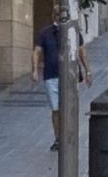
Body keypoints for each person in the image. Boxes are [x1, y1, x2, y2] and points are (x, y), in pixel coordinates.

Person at [32, 8, 92, 151]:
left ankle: (68, 136)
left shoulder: (74, 32)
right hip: (51, 75)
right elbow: (36, 51)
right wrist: (34, 70)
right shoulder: (46, 32)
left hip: (70, 76)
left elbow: (82, 52)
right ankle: (58, 138)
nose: (61, 18)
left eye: (64, 15)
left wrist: (88, 71)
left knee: (69, 107)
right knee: (56, 109)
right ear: (54, 16)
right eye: (59, 15)